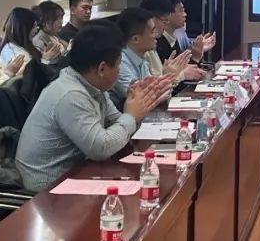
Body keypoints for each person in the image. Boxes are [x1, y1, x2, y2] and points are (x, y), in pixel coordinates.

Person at [15, 22, 174, 192]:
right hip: (48, 187)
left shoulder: (92, 85)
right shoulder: (70, 95)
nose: (119, 70)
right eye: (118, 65)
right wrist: (131, 116)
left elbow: (119, 127)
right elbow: (101, 148)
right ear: (102, 69)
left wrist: (138, 105)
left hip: (77, 173)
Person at [113, 8, 192, 110]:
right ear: (136, 39)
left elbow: (161, 96)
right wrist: (167, 77)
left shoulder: (141, 59)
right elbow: (143, 99)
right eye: (152, 31)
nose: (156, 35)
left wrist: (167, 79)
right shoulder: (119, 63)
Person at [139, 0, 207, 80]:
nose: (185, 14)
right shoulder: (153, 43)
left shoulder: (174, 37)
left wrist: (194, 57)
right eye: (181, 10)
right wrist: (180, 74)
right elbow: (160, 79)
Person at [32, 0, 69, 65]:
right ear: (45, 20)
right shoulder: (38, 41)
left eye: (61, 17)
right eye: (56, 18)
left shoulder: (55, 36)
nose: (60, 21)